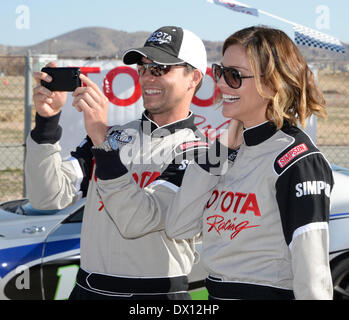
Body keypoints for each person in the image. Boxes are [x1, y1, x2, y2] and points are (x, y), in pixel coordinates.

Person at [25, 26, 208, 300]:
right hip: (87, 290)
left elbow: (137, 220)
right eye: (142, 68)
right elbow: (47, 197)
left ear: (193, 77)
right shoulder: (114, 136)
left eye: (159, 69)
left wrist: (103, 141)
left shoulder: (201, 152)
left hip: (155, 296)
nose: (147, 77)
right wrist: (47, 124)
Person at [165, 26, 334, 300]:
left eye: (233, 76)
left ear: (271, 83)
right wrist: (216, 155)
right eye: (220, 72)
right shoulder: (224, 150)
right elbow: (178, 226)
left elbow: (313, 277)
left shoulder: (297, 161)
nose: (219, 84)